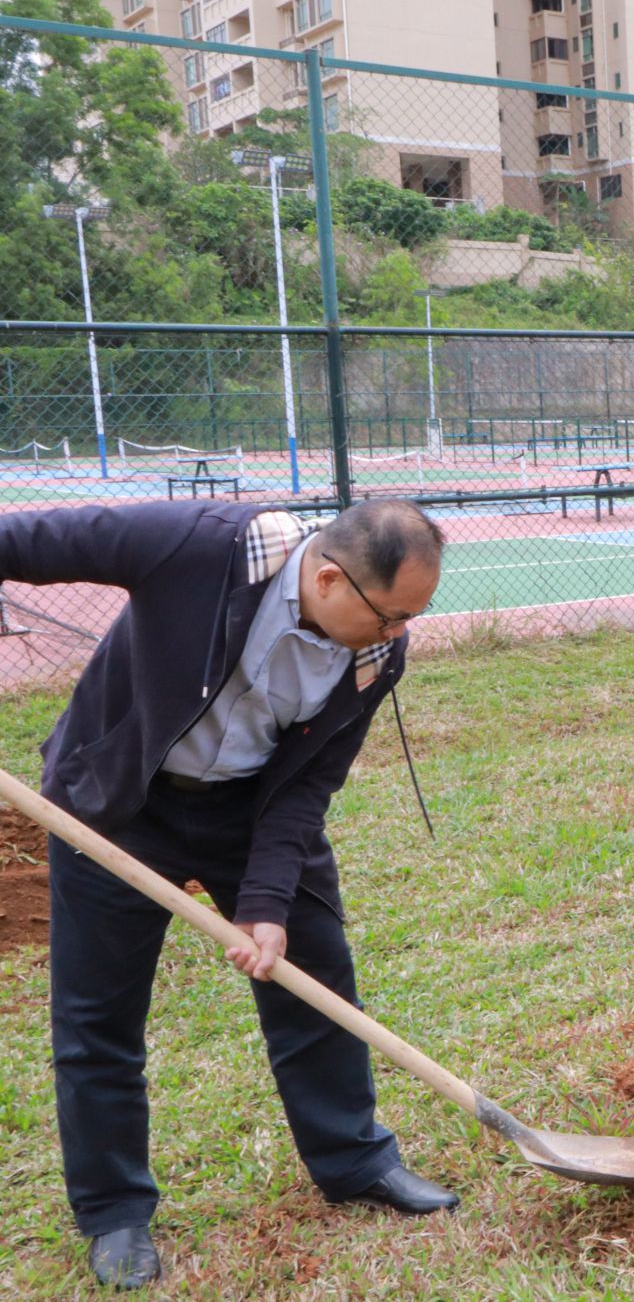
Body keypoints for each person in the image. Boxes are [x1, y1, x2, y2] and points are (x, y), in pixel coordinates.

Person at [0, 498, 456, 1290]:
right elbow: (28, 539)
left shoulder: (379, 653)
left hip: (249, 809)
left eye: (413, 616)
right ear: (327, 577)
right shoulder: (198, 547)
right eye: (391, 615)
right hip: (117, 801)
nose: (400, 632)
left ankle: (353, 1160)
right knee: (97, 1017)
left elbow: (304, 790)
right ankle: (114, 1211)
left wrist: (269, 906)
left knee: (314, 980)